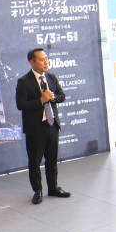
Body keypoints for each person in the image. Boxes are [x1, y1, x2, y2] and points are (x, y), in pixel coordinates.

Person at [16, 47, 71, 206]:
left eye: (46, 59)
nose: (46, 62)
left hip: (52, 125)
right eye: (42, 59)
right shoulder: (24, 81)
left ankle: (53, 187)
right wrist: (41, 100)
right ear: (32, 62)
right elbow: (21, 105)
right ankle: (38, 191)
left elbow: (62, 96)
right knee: (35, 161)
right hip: (35, 128)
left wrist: (53, 98)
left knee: (52, 159)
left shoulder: (51, 77)